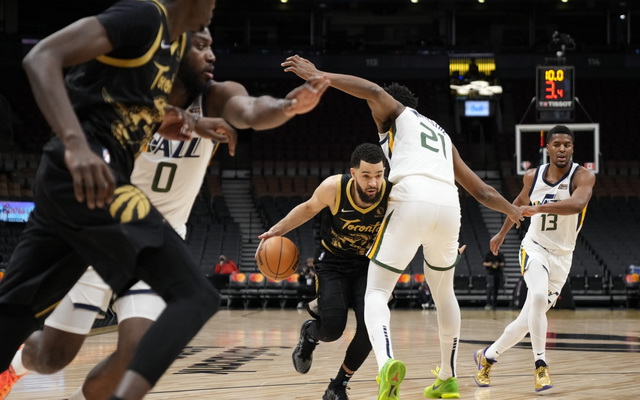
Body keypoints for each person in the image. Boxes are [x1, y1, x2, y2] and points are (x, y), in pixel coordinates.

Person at [0, 27, 329, 400]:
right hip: (101, 234)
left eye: (212, 46)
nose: (211, 55)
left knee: (137, 351)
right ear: (172, 51)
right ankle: (15, 367)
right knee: (53, 356)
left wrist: (285, 107)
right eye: (200, 46)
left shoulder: (216, 96)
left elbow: (250, 110)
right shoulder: (132, 96)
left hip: (157, 243)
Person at [281, 54, 522, 400]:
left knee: (376, 293)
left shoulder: (396, 116)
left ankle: (386, 366)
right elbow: (482, 191)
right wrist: (512, 210)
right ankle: (448, 378)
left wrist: (321, 75)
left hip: (412, 196)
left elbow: (373, 91)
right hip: (449, 206)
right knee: (444, 294)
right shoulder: (441, 136)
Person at [258, 143, 392, 400]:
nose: (373, 182)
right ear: (353, 173)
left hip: (367, 265)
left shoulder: (391, 193)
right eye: (366, 175)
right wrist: (276, 230)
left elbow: (416, 222)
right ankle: (309, 334)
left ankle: (337, 386)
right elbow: (308, 209)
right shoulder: (334, 188)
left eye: (378, 175)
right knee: (332, 330)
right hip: (332, 263)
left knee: (370, 330)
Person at [473, 125, 595, 393]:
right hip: (535, 247)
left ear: (572, 149)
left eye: (567, 145)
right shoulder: (533, 176)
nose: (562, 149)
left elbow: (577, 205)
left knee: (525, 321)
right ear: (548, 147)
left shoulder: (583, 176)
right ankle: (541, 365)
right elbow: (517, 204)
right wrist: (501, 234)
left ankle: (487, 356)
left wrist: (539, 208)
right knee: (538, 297)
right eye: (557, 144)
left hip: (563, 257)